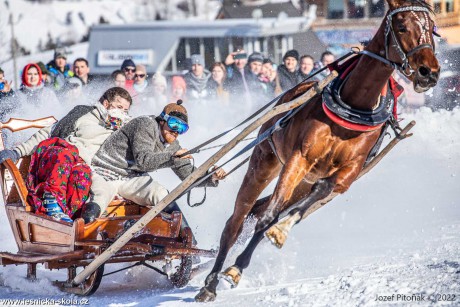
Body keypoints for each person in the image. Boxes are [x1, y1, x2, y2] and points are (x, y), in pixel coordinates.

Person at [0, 87, 132, 222]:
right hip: (58, 158)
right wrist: (17, 152)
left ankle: (70, 220)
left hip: (84, 165)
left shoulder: (123, 129)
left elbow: (126, 158)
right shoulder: (83, 113)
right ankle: (51, 202)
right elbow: (49, 132)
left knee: (82, 173)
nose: (122, 113)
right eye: (119, 107)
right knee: (66, 154)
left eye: (125, 110)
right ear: (106, 104)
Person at [87, 100, 226, 224]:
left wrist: (211, 175)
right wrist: (173, 157)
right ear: (162, 120)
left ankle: (187, 239)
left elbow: (188, 175)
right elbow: (144, 161)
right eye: (174, 123)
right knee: (100, 198)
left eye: (182, 128)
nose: (176, 131)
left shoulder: (173, 145)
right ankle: (84, 236)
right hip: (105, 170)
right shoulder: (145, 124)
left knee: (162, 194)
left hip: (131, 177)